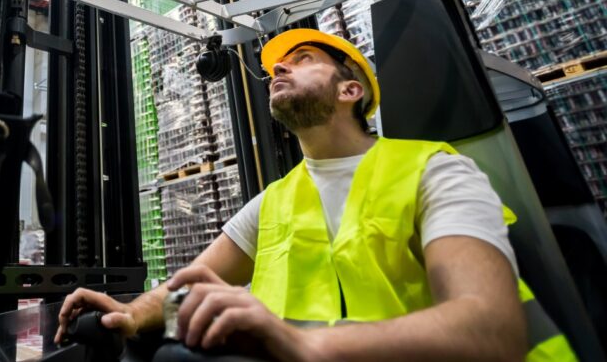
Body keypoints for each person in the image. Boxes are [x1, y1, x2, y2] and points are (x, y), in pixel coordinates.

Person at [55, 28, 575, 361]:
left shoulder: (435, 171)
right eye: (278, 66)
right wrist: (128, 313)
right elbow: (185, 289)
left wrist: (307, 344)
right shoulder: (273, 202)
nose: (278, 68)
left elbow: (492, 330)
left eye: (301, 59)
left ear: (351, 91)